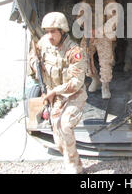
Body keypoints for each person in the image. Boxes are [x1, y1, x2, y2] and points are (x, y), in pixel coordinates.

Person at [28, 12, 87, 174]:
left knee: (65, 125)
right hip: (54, 97)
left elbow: (76, 82)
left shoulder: (75, 51)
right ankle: (73, 160)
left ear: (62, 31)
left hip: (73, 95)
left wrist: (54, 91)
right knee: (58, 137)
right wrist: (34, 63)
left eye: (53, 31)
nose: (49, 35)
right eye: (47, 31)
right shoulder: (43, 43)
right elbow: (34, 55)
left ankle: (73, 166)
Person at [77, 0, 117, 99]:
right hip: (89, 35)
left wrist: (98, 31)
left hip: (104, 36)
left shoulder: (110, 3)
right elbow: (79, 17)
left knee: (105, 61)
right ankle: (94, 79)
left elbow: (113, 21)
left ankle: (105, 85)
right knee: (84, 58)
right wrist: (86, 28)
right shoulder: (85, 2)